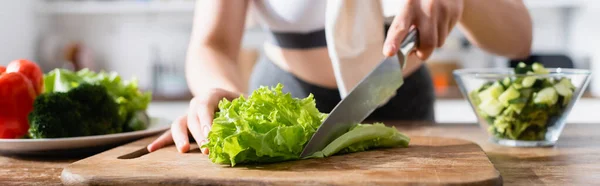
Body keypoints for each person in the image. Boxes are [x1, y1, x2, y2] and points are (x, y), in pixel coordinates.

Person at [147, 0, 533, 154]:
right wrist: (221, 90)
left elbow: (519, 38)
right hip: (285, 105)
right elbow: (211, 43)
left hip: (400, 101)